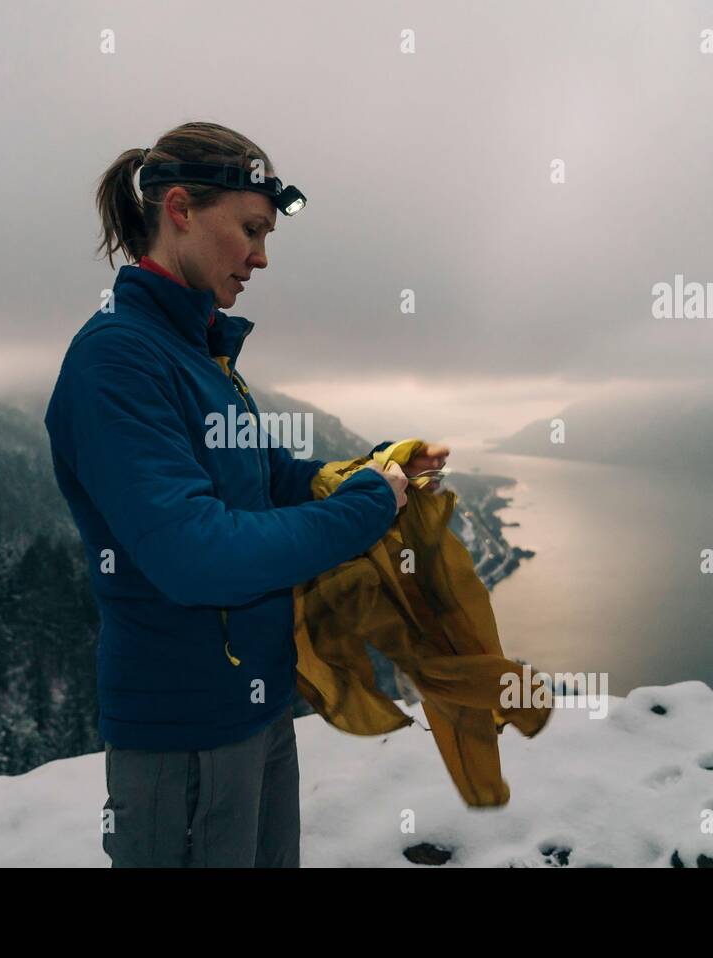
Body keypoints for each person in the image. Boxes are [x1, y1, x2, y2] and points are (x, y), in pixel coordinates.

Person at [44, 121, 449, 867]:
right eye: (251, 230)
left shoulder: (194, 353)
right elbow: (197, 556)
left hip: (256, 713)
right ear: (179, 210)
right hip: (183, 735)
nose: (262, 257)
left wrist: (378, 471)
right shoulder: (118, 360)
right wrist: (368, 508)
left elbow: (269, 479)